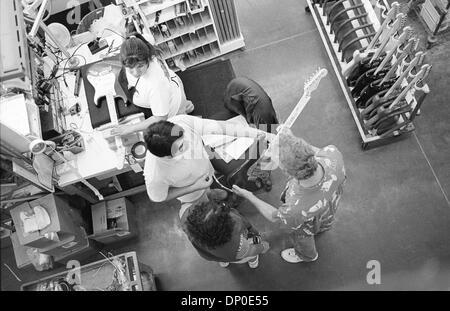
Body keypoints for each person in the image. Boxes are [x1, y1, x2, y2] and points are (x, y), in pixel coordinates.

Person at [233, 128, 346, 263]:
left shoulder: (294, 209)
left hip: (305, 224)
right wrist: (290, 141)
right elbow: (314, 152)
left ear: (287, 172)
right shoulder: (333, 154)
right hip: (328, 205)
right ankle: (323, 227)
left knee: (302, 238)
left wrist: (249, 195)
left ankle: (307, 256)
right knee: (323, 221)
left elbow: (275, 217)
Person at [143, 114, 274, 214]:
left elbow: (222, 127)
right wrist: (195, 187)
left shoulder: (180, 122)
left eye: (184, 137)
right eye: (182, 147)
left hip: (207, 171)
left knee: (214, 191)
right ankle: (210, 199)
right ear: (166, 156)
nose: (189, 143)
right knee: (208, 207)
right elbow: (159, 197)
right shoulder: (155, 174)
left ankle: (212, 193)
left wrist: (263, 134)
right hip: (193, 193)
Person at [112, 33, 194, 136]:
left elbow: (160, 118)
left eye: (140, 66)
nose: (136, 72)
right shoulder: (144, 47)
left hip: (169, 107)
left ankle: (184, 109)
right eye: (130, 68)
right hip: (171, 87)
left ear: (148, 60)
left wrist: (130, 128)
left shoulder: (156, 85)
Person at [182, 197, 270, 268]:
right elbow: (250, 250)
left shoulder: (188, 225)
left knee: (221, 258)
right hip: (236, 255)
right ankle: (253, 262)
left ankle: (223, 262)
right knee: (250, 255)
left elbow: (184, 209)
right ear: (228, 229)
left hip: (212, 255)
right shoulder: (237, 243)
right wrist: (262, 247)